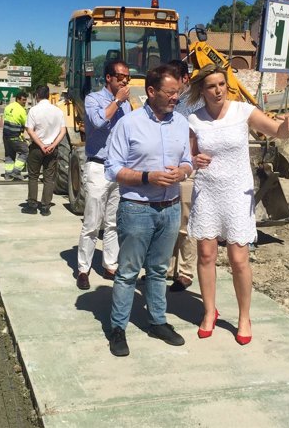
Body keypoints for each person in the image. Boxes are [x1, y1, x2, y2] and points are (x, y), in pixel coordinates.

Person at [186, 64, 289, 344]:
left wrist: (287, 125)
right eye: (212, 86)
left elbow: (277, 131)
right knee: (205, 255)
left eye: (222, 84)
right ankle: (209, 312)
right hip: (208, 192)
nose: (218, 90)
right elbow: (188, 158)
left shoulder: (243, 111)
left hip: (237, 193)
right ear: (202, 90)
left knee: (239, 259)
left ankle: (243, 317)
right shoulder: (194, 119)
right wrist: (193, 161)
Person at [104, 64, 193, 357]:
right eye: (170, 93)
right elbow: (112, 168)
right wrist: (147, 177)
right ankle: (118, 328)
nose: (175, 98)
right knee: (128, 272)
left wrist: (182, 171)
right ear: (151, 92)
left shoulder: (181, 123)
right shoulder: (128, 124)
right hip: (137, 209)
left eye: (178, 93)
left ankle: (157, 321)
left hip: (169, 209)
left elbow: (189, 161)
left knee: (157, 271)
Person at [76, 60, 132, 290]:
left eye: (127, 77)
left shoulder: (128, 104)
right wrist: (118, 101)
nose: (125, 81)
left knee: (112, 222)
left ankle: (110, 264)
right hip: (98, 166)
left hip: (118, 169)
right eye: (121, 77)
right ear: (108, 78)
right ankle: (83, 268)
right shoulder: (93, 99)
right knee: (92, 221)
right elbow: (98, 121)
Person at [167, 59, 202, 292]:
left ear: (184, 79)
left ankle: (186, 272)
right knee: (169, 223)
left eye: (173, 80)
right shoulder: (168, 101)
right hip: (168, 171)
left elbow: (196, 137)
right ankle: (167, 268)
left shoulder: (195, 103)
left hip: (188, 171)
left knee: (186, 224)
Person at [23, 85, 66, 216]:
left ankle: (32, 205)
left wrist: (41, 145)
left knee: (33, 176)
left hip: (37, 148)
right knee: (49, 178)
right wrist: (53, 145)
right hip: (52, 149)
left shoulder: (34, 110)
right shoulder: (57, 111)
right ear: (48, 95)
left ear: (37, 95)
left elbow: (29, 130)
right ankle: (45, 206)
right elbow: (63, 130)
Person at [1, 91, 29, 181]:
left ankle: (8, 174)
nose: (25, 102)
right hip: (15, 136)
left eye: (26, 100)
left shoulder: (8, 107)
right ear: (18, 99)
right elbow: (26, 124)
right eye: (23, 100)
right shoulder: (21, 110)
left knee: (9, 154)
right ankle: (16, 172)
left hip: (5, 136)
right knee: (25, 152)